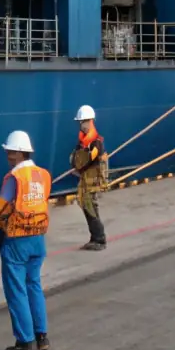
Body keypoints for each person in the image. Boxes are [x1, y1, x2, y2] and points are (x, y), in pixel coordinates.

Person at [0, 129, 51, 350]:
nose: (7, 156)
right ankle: (41, 336)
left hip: (17, 239)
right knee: (33, 285)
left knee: (16, 290)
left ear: (17, 153)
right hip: (38, 238)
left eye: (9, 152)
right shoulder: (42, 175)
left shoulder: (14, 178)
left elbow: (1, 209)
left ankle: (24, 342)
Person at [71, 104, 108, 250]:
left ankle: (100, 239)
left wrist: (79, 167)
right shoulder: (84, 141)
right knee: (86, 206)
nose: (80, 125)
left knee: (90, 207)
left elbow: (89, 160)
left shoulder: (95, 142)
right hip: (85, 179)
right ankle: (95, 237)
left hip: (92, 180)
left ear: (89, 121)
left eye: (82, 122)